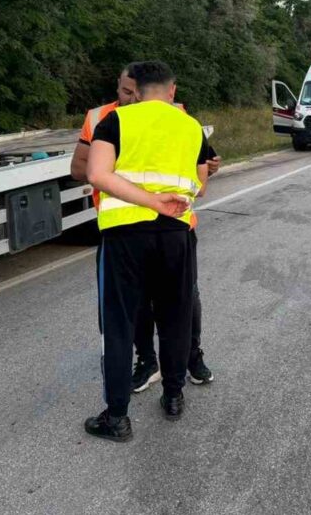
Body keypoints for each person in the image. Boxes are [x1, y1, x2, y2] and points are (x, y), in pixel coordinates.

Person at [71, 68, 219, 395]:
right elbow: (199, 185)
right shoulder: (106, 118)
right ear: (170, 89)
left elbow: (97, 173)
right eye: (123, 90)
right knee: (170, 312)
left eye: (131, 90)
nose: (127, 95)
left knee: (131, 317)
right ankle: (168, 386)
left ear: (139, 90)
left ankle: (120, 409)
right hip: (167, 229)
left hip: (131, 231)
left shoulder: (122, 122)